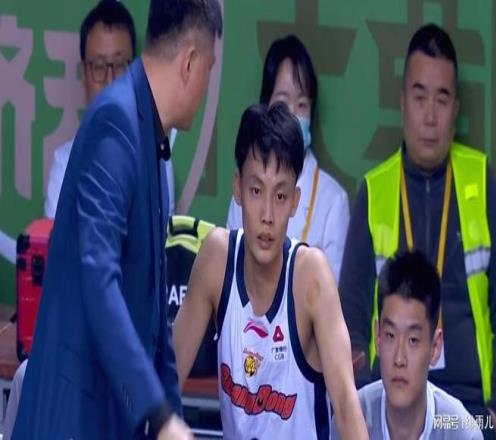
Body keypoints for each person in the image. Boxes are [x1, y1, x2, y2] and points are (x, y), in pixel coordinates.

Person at [12, 0, 222, 438]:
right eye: (209, 67)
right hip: (73, 420)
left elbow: (154, 321)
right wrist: (159, 416)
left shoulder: (149, 135)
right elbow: (98, 278)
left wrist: (170, 416)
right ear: (189, 62)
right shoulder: (116, 122)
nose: (206, 84)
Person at [339, 23, 496, 439]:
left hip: (471, 407)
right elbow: (351, 318)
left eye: (441, 99)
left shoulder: (482, 182)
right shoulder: (375, 191)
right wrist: (364, 409)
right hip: (390, 403)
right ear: (402, 102)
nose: (430, 115)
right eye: (419, 96)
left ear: (456, 108)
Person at [174, 102, 368, 439]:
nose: (267, 215)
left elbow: (347, 407)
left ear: (295, 201)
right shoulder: (216, 259)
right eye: (255, 191)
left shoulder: (311, 276)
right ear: (237, 188)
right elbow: (166, 378)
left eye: (279, 196)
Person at [226, 35, 349, 281]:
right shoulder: (246, 186)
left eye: (302, 105)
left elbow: (332, 293)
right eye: (283, 103)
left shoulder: (334, 201)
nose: (292, 115)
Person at [44, 0, 176, 219]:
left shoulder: (156, 162)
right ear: (84, 74)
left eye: (119, 65)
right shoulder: (64, 164)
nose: (110, 81)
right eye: (98, 66)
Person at [335, 251, 483, 439]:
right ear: (377, 337)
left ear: (435, 347)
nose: (399, 359)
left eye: (413, 340)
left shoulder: (461, 432)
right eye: (390, 336)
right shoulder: (350, 420)